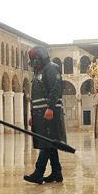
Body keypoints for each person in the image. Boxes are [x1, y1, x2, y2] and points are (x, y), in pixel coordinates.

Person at [24, 46, 67, 184]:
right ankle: (56, 172)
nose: (34, 63)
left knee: (47, 143)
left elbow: (55, 89)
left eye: (35, 59)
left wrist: (51, 108)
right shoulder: (38, 72)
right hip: (39, 114)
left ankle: (39, 172)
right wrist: (32, 115)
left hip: (49, 113)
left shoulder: (51, 68)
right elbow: (36, 96)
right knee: (50, 142)